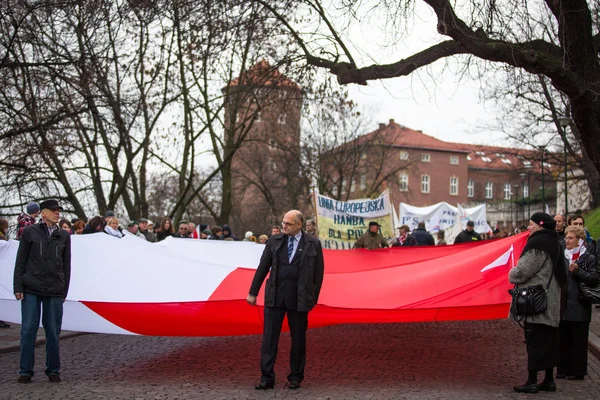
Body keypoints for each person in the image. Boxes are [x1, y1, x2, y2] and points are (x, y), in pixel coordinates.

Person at [247, 210, 324, 390]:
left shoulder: (313, 244)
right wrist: (253, 292)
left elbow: (318, 275)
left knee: (298, 339)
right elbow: (263, 267)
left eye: (288, 224)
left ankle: (295, 377)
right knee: (269, 339)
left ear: (299, 224)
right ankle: (267, 377)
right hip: (275, 297)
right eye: (283, 223)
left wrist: (312, 298)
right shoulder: (275, 241)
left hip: (299, 299)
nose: (284, 226)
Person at [508, 212, 567, 393]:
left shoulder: (538, 244)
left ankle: (532, 381)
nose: (528, 227)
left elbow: (522, 272)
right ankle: (548, 379)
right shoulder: (555, 243)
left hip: (537, 304)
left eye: (531, 224)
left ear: (540, 226)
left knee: (534, 341)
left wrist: (511, 271)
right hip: (551, 300)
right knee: (549, 341)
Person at [13, 199, 71, 383]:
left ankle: (53, 370)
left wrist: (64, 290)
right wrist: (18, 286)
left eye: (58, 211)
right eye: (53, 210)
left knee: (53, 331)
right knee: (28, 330)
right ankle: (25, 371)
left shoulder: (63, 235)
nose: (57, 213)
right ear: (43, 213)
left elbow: (67, 265)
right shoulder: (30, 232)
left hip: (55, 289)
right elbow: (20, 261)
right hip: (31, 287)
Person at [557, 225, 599, 380]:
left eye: (570, 238)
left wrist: (578, 271)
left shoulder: (588, 257)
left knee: (578, 341)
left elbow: (594, 279)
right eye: (566, 237)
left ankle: (577, 371)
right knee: (563, 339)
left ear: (579, 240)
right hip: (564, 304)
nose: (567, 240)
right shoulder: (563, 256)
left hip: (580, 303)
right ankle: (562, 369)